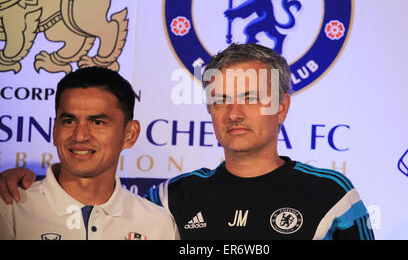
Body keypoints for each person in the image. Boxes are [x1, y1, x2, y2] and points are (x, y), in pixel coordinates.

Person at [0, 43, 374, 240]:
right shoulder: (170, 198)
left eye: (250, 97)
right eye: (222, 99)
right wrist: (26, 180)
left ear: (281, 107)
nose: (234, 112)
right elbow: (93, 205)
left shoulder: (330, 195)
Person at [0, 67, 178, 240]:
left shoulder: (157, 225)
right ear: (54, 130)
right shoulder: (10, 209)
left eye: (97, 122)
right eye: (69, 121)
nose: (79, 135)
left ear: (129, 134)